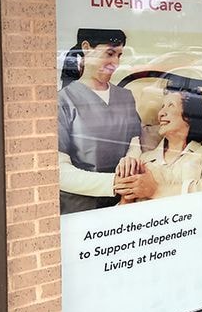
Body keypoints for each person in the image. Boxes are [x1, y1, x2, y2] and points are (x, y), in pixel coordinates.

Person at [57, 28, 142, 214]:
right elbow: (59, 171)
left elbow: (135, 142)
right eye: (110, 53)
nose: (116, 63)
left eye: (119, 55)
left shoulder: (125, 97)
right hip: (81, 208)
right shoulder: (63, 101)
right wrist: (114, 182)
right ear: (86, 48)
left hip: (124, 203)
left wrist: (131, 161)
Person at [114, 88, 202, 201]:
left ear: (189, 115)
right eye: (162, 107)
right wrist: (126, 190)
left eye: (171, 105)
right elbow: (125, 206)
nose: (161, 113)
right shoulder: (143, 160)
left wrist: (156, 190)